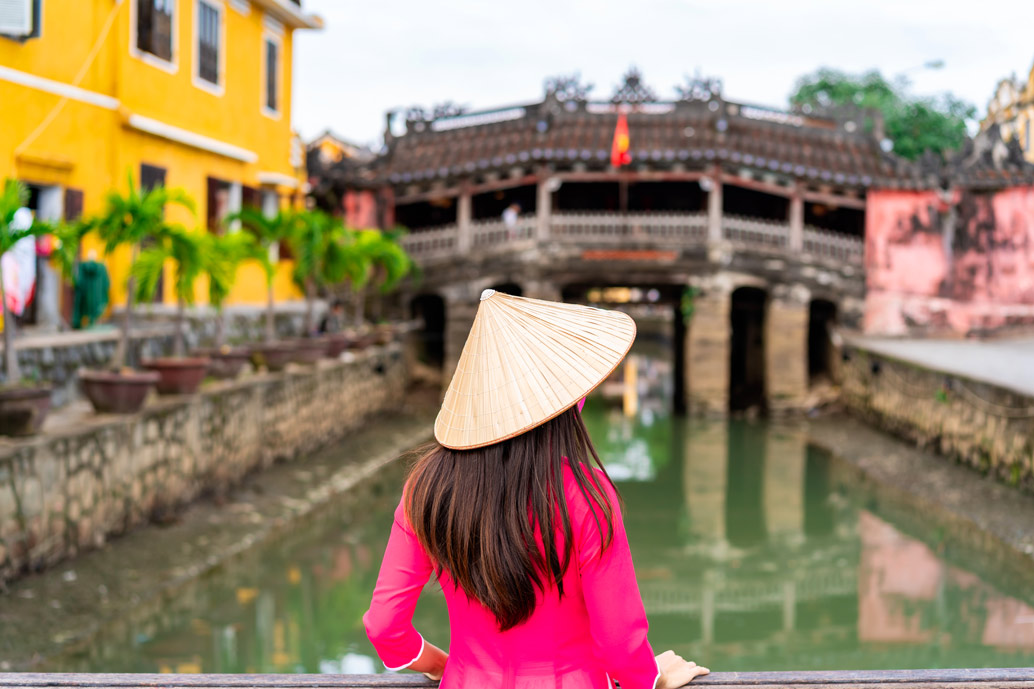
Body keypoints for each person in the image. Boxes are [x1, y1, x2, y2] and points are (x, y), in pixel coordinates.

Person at [363, 289, 709, 689]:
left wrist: (444, 665)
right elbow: (620, 645)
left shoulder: (425, 487)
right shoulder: (585, 493)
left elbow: (384, 626)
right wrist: (654, 678)